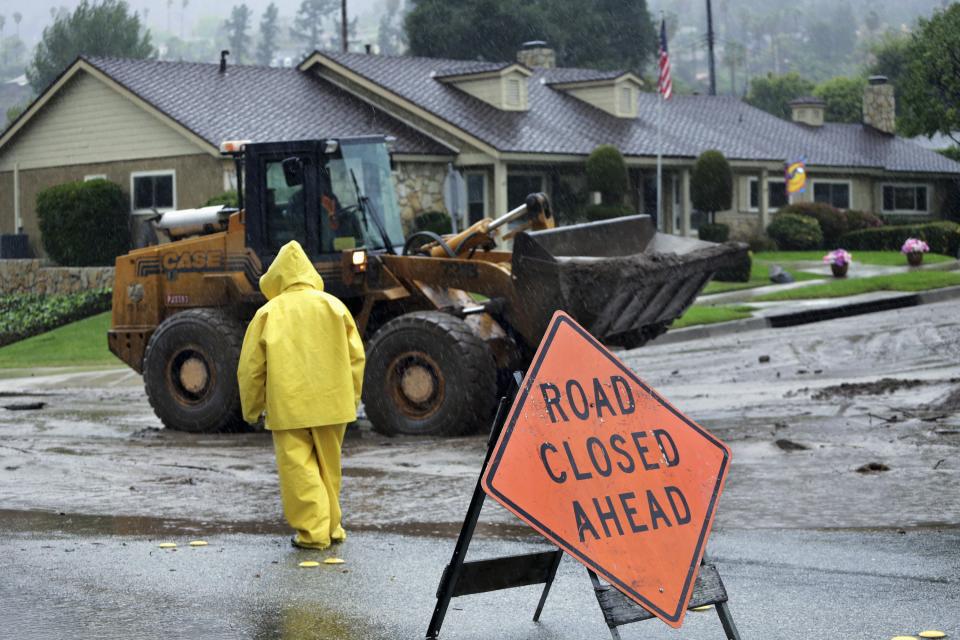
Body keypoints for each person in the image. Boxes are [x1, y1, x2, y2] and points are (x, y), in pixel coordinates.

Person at [237, 240, 365, 550]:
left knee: (299, 470)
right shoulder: (334, 306)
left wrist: (251, 409)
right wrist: (352, 398)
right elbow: (355, 359)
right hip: (333, 403)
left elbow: (251, 369)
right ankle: (332, 527)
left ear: (277, 276)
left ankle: (313, 533)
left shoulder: (268, 313)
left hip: (289, 406)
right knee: (328, 469)